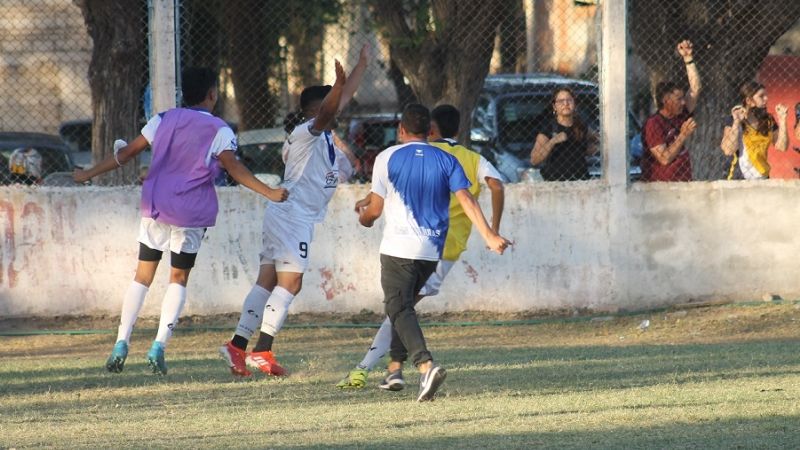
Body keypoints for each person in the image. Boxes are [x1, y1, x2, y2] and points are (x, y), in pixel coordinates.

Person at [72, 67, 289, 375]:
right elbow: (234, 168)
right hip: (190, 213)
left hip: (156, 206)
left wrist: (87, 173)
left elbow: (127, 154)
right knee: (178, 278)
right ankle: (159, 345)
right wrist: (269, 192)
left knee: (142, 276)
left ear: (184, 94)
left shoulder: (162, 119)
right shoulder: (220, 130)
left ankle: (121, 342)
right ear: (212, 94)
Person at [219, 46, 369, 378]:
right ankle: (262, 351)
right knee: (292, 282)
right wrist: (338, 85)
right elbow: (330, 109)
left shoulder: (323, 136)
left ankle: (237, 346)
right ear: (315, 110)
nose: (338, 109)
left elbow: (339, 103)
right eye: (332, 104)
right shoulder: (306, 133)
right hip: (292, 216)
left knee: (267, 281)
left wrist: (360, 66)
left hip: (289, 214)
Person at [336, 104, 505, 390]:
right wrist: (490, 233)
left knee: (399, 308)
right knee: (403, 308)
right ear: (430, 130)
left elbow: (377, 209)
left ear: (401, 129)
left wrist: (365, 216)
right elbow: (474, 196)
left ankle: (419, 367)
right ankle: (393, 370)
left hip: (400, 247)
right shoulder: (456, 159)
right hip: (436, 249)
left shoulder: (388, 155)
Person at [641, 40, 701, 182]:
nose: (683, 102)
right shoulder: (654, 124)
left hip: (683, 181)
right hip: (663, 186)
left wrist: (688, 58)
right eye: (678, 99)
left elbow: (696, 88)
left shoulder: (679, 114)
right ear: (666, 101)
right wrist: (683, 134)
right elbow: (665, 158)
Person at [720, 81, 788, 179]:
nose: (766, 98)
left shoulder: (768, 120)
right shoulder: (735, 119)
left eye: (766, 95)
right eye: (761, 96)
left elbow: (782, 147)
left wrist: (782, 120)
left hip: (762, 177)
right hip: (739, 178)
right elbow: (728, 150)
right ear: (749, 101)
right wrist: (736, 122)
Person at [530, 88, 599, 181]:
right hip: (556, 183)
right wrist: (553, 141)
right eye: (561, 101)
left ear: (574, 104)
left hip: (581, 181)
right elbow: (534, 160)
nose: (566, 103)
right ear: (554, 106)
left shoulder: (581, 126)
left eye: (569, 100)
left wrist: (593, 148)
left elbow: (598, 139)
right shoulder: (549, 129)